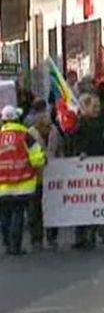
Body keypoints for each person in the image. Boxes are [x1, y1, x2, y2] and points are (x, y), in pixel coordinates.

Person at [0, 106, 46, 255]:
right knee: (18, 213)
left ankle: (7, 243)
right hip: (22, 184)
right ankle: (15, 246)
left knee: (5, 214)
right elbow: (36, 157)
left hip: (2, 185)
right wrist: (43, 160)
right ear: (17, 118)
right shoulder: (25, 135)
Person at [72, 93, 104, 250]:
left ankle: (101, 231)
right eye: (94, 106)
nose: (97, 109)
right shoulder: (79, 124)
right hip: (84, 169)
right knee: (83, 202)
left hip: (100, 167)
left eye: (98, 106)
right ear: (85, 107)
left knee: (99, 200)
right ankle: (83, 236)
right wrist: (81, 152)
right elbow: (76, 142)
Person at [27, 113, 63, 250]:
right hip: (36, 177)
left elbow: (60, 149)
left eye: (50, 125)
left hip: (53, 175)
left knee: (53, 208)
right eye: (46, 126)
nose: (49, 128)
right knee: (35, 209)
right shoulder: (29, 134)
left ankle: (52, 237)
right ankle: (36, 238)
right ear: (38, 126)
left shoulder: (55, 132)